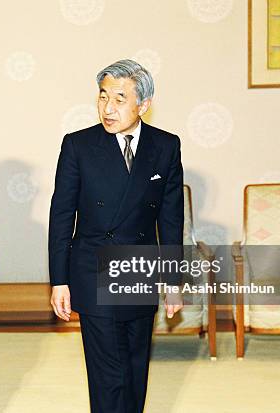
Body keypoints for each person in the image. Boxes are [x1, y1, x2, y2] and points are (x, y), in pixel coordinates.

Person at [48, 59, 184, 412]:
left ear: (144, 105)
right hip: (93, 267)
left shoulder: (165, 146)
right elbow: (62, 215)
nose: (108, 108)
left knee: (136, 367)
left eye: (120, 99)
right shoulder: (78, 145)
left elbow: (170, 218)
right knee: (108, 374)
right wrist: (59, 280)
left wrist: (172, 281)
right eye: (103, 96)